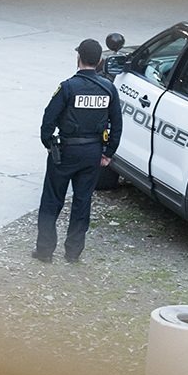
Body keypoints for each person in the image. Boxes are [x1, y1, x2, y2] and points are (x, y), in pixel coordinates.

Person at [33, 39, 122, 263]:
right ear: (100, 61)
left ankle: (44, 251)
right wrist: (108, 152)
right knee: (82, 202)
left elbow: (48, 119)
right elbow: (117, 124)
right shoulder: (108, 88)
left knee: (52, 200)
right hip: (92, 152)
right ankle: (73, 253)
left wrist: (48, 143)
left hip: (65, 152)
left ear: (78, 58)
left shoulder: (68, 87)